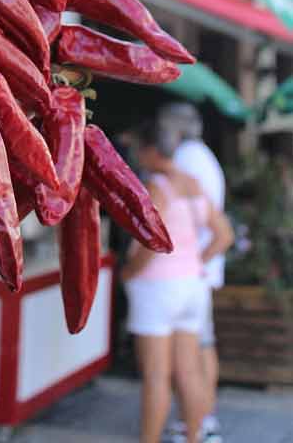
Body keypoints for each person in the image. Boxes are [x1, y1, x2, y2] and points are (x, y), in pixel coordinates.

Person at [122, 118, 233, 443]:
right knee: (189, 371)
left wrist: (129, 271)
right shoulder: (192, 182)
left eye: (141, 149)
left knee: (157, 375)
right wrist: (196, 261)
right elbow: (223, 234)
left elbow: (151, 242)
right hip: (191, 285)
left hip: (157, 288)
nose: (138, 156)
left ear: (153, 150)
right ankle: (195, 437)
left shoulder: (157, 185)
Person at [159, 103, 226, 443]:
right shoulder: (204, 155)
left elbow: (199, 219)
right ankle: (202, 420)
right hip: (202, 268)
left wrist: (194, 260)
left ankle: (197, 425)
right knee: (202, 347)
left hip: (191, 270)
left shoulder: (185, 159)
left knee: (190, 357)